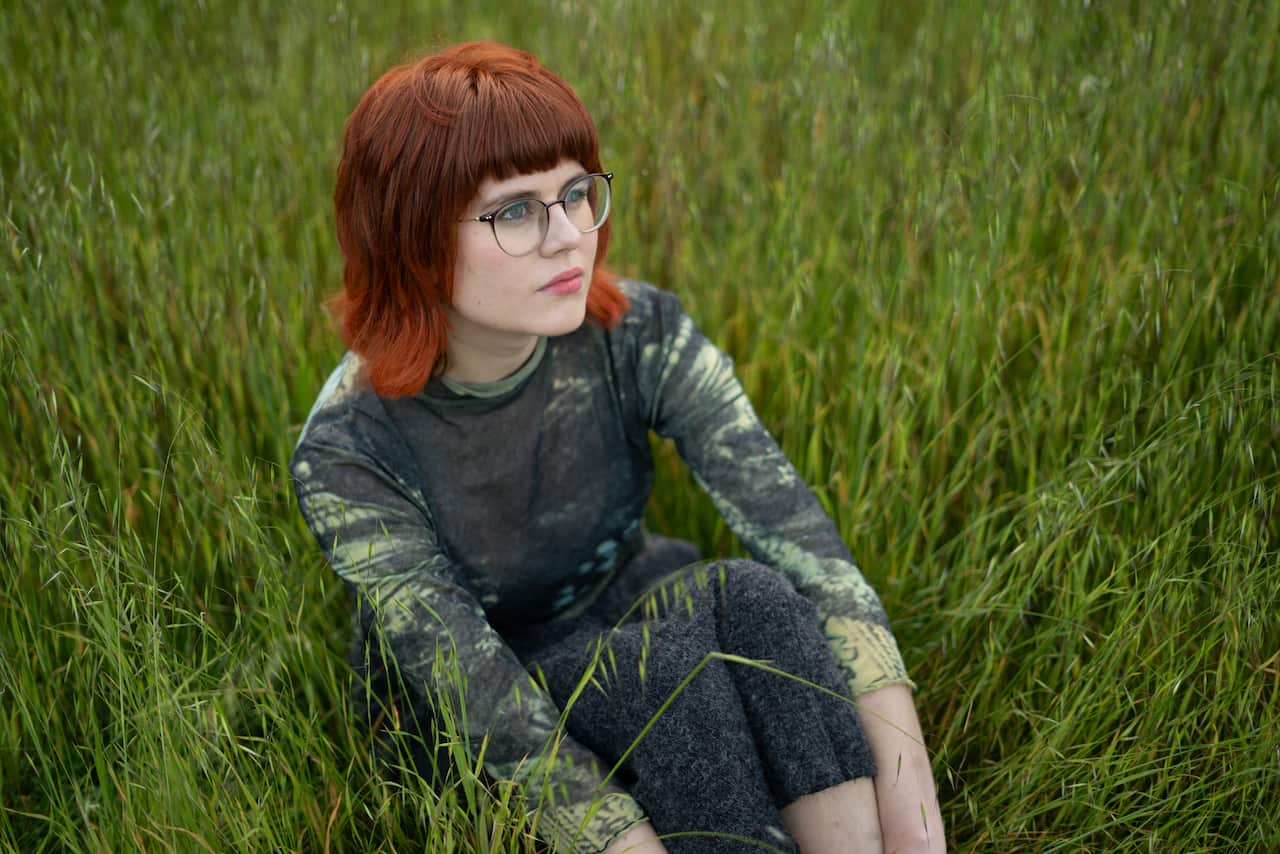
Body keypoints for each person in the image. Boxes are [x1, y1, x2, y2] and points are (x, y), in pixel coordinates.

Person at [290, 40, 945, 854]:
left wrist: (910, 791)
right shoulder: (350, 447)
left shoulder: (636, 330)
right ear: (415, 239)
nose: (569, 237)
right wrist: (620, 839)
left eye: (575, 193)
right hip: (474, 707)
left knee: (763, 601)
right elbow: (475, 692)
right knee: (666, 684)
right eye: (516, 212)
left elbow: (797, 532)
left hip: (625, 601)